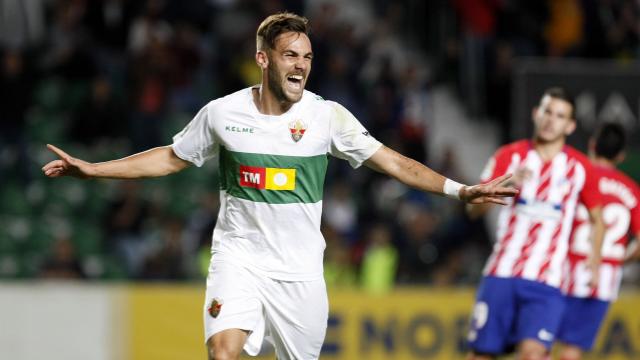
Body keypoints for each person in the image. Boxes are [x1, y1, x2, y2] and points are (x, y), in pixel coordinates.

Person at [42, 12, 517, 360]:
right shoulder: (223, 113)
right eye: (290, 54)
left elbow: (393, 162)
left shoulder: (326, 117)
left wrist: (459, 190)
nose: (301, 65)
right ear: (263, 59)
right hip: (239, 259)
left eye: (307, 57)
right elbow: (171, 158)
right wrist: (95, 169)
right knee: (222, 353)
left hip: (300, 273)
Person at [465, 87, 605, 360]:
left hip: (546, 280)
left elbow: (598, 219)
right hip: (501, 274)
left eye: (560, 116)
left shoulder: (579, 167)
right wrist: (506, 183)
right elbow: (472, 211)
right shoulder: (509, 156)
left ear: (570, 125)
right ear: (535, 114)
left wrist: (595, 259)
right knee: (480, 356)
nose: (552, 120)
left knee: (534, 354)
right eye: (548, 112)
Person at [556, 122, 640, 360]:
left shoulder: (577, 178)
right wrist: (621, 260)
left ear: (592, 145)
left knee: (538, 342)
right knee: (572, 351)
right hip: (603, 279)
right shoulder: (632, 190)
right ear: (621, 155)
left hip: (564, 271)